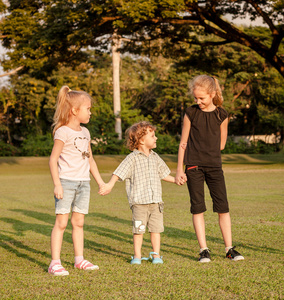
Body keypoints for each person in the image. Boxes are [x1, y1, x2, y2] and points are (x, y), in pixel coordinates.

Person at [175, 75, 244, 263]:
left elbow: (222, 144)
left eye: (202, 98)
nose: (198, 101)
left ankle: (229, 249)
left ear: (212, 94)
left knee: (223, 207)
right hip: (193, 166)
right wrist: (180, 170)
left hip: (214, 166)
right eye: (196, 98)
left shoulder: (223, 115)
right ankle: (203, 250)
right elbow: (183, 143)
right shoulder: (191, 112)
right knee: (198, 208)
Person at [100, 121, 185, 264]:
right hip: (139, 203)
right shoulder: (132, 158)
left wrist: (176, 180)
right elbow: (118, 173)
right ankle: (137, 256)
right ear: (141, 140)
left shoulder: (155, 157)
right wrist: (109, 184)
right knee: (138, 230)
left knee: (155, 230)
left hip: (155, 202)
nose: (156, 138)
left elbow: (163, 174)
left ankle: (156, 255)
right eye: (152, 135)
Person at [48, 86, 105, 276]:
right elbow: (53, 159)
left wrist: (100, 182)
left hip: (83, 183)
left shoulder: (86, 132)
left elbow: (90, 159)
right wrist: (57, 184)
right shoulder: (62, 132)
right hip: (66, 183)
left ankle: (79, 260)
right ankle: (55, 263)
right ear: (74, 110)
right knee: (62, 223)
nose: (90, 112)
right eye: (88, 109)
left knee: (78, 222)